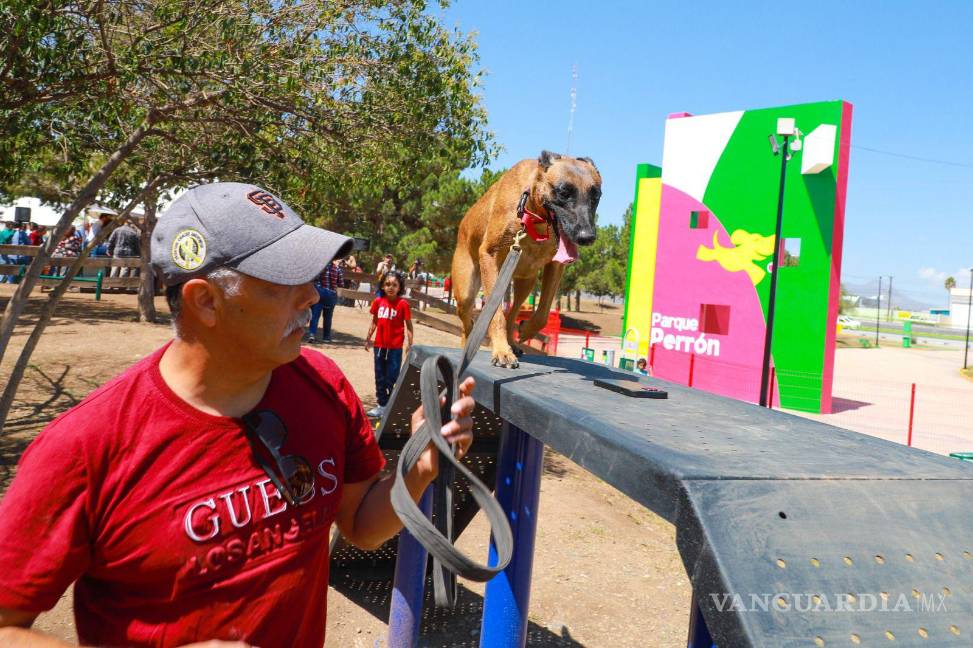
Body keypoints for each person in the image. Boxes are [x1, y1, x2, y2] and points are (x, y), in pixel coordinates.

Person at [0, 182, 476, 648]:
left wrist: (417, 472)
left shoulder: (324, 385)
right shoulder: (85, 446)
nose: (311, 295)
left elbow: (359, 526)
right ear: (205, 301)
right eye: (283, 281)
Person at [364, 270, 413, 418]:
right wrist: (368, 338)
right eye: (387, 284)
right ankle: (382, 406)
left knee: (392, 377)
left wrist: (410, 345)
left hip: (395, 349)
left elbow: (409, 326)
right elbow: (374, 322)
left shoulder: (403, 304)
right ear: (382, 286)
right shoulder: (378, 302)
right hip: (379, 347)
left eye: (394, 285)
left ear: (400, 287)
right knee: (380, 376)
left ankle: (392, 405)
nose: (391, 287)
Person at [306, 257, 343, 343]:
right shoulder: (338, 269)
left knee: (315, 315)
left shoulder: (320, 267)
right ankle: (326, 337)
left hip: (320, 292)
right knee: (328, 317)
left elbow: (313, 279)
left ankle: (312, 334)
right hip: (331, 294)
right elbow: (340, 284)